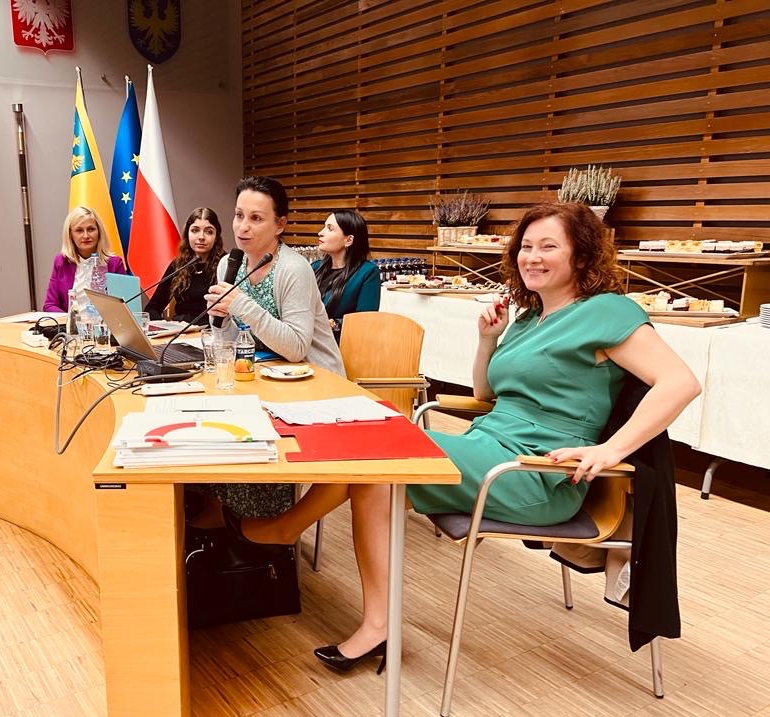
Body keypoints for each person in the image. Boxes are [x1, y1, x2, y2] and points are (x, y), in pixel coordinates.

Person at [232, 201, 701, 673]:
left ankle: (289, 534)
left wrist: (611, 449)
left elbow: (680, 382)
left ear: (581, 255)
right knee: (375, 469)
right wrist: (488, 340)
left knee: (378, 456)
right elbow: (485, 394)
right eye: (526, 247)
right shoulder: (529, 317)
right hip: (488, 446)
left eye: (548, 247)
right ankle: (373, 619)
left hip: (537, 472)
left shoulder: (607, 311)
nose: (532, 257)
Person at [206, 176, 344, 376]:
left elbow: (296, 349)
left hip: (315, 378)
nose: (242, 226)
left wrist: (242, 305)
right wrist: (221, 320)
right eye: (239, 215)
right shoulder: (228, 264)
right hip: (265, 374)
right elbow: (236, 344)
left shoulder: (294, 268)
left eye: (256, 218)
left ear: (280, 224)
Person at [144, 208, 225, 322]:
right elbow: (152, 309)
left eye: (209, 232)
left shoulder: (226, 264)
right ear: (187, 234)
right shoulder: (178, 265)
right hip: (180, 329)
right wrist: (165, 327)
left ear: (216, 237)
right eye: (195, 230)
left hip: (211, 330)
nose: (201, 237)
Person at [311, 209, 380, 340]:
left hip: (342, 344)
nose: (320, 233)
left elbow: (365, 320)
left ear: (348, 240)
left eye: (330, 228)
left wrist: (334, 324)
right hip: (308, 342)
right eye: (324, 227)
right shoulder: (315, 267)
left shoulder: (368, 272)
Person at [42, 206, 127, 312]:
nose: (86, 236)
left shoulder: (114, 264)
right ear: (70, 235)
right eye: (79, 230)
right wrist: (71, 319)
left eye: (91, 229)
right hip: (70, 322)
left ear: (99, 232)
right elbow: (50, 305)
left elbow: (123, 307)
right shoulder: (61, 262)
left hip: (103, 322)